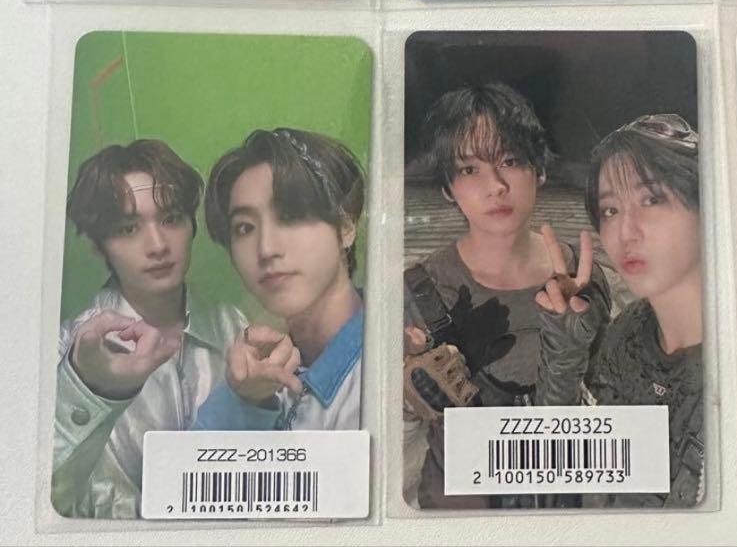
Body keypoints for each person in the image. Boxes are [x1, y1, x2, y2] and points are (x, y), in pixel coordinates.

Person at [402, 83, 611, 508]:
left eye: (511, 161)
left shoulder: (584, 278)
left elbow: (612, 413)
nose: (495, 185)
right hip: (457, 520)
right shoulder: (419, 289)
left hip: (567, 516)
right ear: (447, 188)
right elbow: (394, 459)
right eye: (469, 169)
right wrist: (406, 403)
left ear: (540, 171)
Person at [52, 140, 245, 518]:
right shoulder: (67, 352)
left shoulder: (234, 326)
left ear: (191, 225)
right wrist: (92, 388)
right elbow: (45, 501)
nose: (157, 245)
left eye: (171, 219)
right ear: (97, 246)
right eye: (128, 228)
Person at [533, 114, 704, 507]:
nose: (626, 232)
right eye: (610, 210)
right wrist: (565, 351)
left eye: (652, 199)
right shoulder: (628, 334)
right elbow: (562, 464)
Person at [197, 128, 365, 431]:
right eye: (245, 228)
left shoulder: (392, 366)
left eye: (290, 216)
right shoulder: (254, 371)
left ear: (345, 226)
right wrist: (247, 400)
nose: (266, 249)